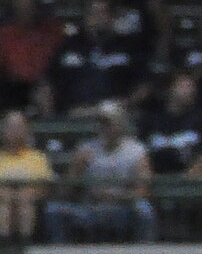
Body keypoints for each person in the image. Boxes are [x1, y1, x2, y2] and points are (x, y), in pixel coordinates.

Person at [44, 103, 156, 243]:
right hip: (91, 209)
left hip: (122, 209)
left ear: (120, 124)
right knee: (54, 210)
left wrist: (116, 196)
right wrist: (77, 168)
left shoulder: (136, 151)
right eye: (101, 123)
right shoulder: (86, 149)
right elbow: (66, 191)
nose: (105, 128)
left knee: (144, 210)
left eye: (108, 123)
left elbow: (143, 192)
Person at [0, 109, 55, 240]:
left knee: (25, 196)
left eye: (19, 126)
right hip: (2, 200)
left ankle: (25, 243)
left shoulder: (38, 157)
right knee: (5, 197)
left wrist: (23, 193)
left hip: (31, 202)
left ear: (27, 130)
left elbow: (45, 188)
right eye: (11, 126)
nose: (15, 131)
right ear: (3, 130)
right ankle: (5, 243)